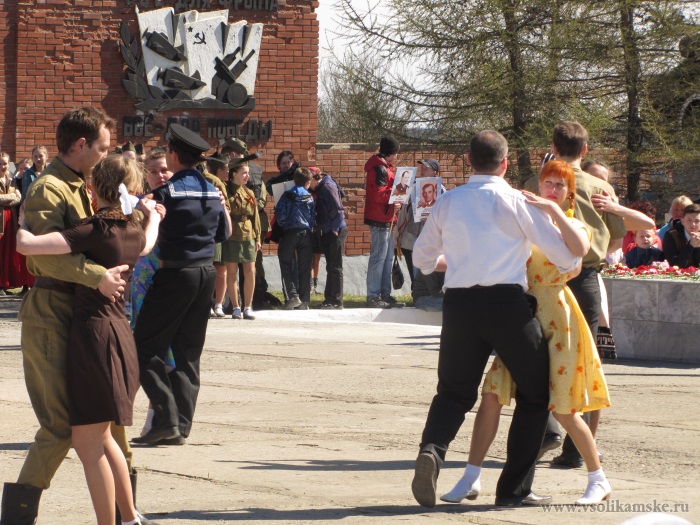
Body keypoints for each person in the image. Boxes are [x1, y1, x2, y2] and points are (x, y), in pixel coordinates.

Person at [410, 130, 581, 508]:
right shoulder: (517, 201)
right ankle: (513, 489)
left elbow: (422, 259)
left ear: (469, 161)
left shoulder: (448, 201)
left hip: (459, 306)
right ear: (504, 164)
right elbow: (566, 257)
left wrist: (459, 259)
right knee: (535, 394)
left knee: (453, 392)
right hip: (508, 306)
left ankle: (432, 450)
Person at [440, 160, 612, 506]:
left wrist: (553, 211)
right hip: (520, 318)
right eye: (548, 183)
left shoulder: (575, 224)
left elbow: (579, 253)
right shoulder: (524, 221)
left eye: (560, 186)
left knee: (563, 409)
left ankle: (598, 478)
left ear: (570, 193)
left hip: (558, 319)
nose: (552, 190)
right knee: (492, 395)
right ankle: (471, 476)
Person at [1, 107, 133, 525]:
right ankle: (18, 515)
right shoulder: (50, 188)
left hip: (84, 313)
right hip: (52, 314)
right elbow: (42, 255)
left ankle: (126, 513)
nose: (106, 155)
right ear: (80, 145)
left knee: (107, 421)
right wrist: (96, 276)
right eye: (102, 148)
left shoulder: (80, 185)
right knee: (60, 425)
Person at [16, 154, 163, 525]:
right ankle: (129, 519)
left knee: (87, 442)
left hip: (95, 337)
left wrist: (22, 224)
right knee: (106, 437)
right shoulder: (132, 229)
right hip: (119, 335)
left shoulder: (95, 229)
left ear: (95, 187)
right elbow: (148, 243)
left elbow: (30, 247)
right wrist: (154, 216)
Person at [525, 122, 626, 469]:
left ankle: (547, 428)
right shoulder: (601, 187)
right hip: (585, 279)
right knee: (583, 361)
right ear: (585, 150)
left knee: (539, 357)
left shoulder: (537, 183)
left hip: (543, 278)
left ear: (553, 147)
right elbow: (616, 238)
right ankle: (576, 450)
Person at [133, 124, 231, 446]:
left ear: (174, 155)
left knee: (143, 347)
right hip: (206, 274)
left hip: (175, 274)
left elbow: (148, 228)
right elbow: (223, 234)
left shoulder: (167, 192)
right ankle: (181, 427)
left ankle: (166, 420)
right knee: (188, 353)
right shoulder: (211, 190)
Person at [364, 136, 404, 309]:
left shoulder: (384, 167)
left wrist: (396, 197)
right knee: (379, 258)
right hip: (379, 218)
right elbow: (379, 195)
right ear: (391, 153)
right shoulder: (379, 169)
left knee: (387, 259)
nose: (397, 156)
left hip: (386, 217)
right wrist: (396, 194)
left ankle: (385, 294)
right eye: (396, 152)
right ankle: (373, 296)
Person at [224, 159, 261, 320]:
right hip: (232, 234)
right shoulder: (226, 191)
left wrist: (258, 237)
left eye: (248, 173)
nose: (247, 176)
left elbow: (255, 217)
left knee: (250, 271)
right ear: (234, 174)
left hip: (248, 234)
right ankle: (235, 307)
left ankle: (248, 306)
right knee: (231, 271)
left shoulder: (249, 192)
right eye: (244, 173)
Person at [393, 158, 440, 283]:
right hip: (411, 238)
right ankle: (416, 292)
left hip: (432, 239)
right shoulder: (412, 188)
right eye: (422, 168)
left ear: (434, 172)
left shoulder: (441, 191)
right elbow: (403, 213)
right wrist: (397, 237)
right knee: (415, 276)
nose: (422, 170)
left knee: (430, 276)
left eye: (426, 168)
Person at [275, 167, 315, 310]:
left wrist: (285, 225)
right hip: (306, 233)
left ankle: (292, 295)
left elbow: (280, 215)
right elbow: (312, 217)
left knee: (285, 261)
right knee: (305, 266)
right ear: (308, 182)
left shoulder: (286, 196)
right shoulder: (310, 197)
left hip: (290, 232)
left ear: (294, 180)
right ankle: (304, 300)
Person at [308, 169, 347, 309]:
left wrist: (335, 229)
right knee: (330, 266)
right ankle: (329, 299)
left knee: (335, 266)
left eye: (308, 182)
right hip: (328, 230)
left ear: (314, 178)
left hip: (335, 230)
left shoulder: (328, 187)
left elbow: (338, 209)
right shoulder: (321, 188)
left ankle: (336, 300)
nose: (308, 186)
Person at [0, 153, 34, 295]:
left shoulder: (12, 178)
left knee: (10, 251)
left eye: (5, 163)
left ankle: (8, 282)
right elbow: (13, 197)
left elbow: (19, 197)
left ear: (9, 164)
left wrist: (6, 199)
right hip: (1, 219)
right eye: (0, 163)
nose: (2, 166)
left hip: (11, 220)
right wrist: (11, 197)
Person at [204, 153, 231, 318]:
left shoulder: (217, 181)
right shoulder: (212, 181)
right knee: (213, 268)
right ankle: (211, 303)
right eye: (226, 168)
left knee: (220, 268)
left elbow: (225, 205)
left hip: (216, 228)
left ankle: (218, 304)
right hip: (211, 228)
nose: (228, 172)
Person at [662, 203, 700, 268]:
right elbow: (674, 265)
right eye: (689, 220)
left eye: (697, 221)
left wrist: (697, 248)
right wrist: (691, 246)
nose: (693, 224)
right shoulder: (671, 235)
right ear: (682, 221)